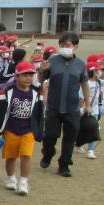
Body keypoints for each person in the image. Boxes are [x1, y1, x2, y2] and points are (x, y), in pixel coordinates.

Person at [40, 32, 90, 178]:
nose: (64, 47)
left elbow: (85, 85)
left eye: (67, 45)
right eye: (61, 45)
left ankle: (64, 165)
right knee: (50, 135)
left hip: (72, 108)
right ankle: (48, 153)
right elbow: (41, 79)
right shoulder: (52, 61)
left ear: (75, 46)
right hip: (53, 107)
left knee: (70, 138)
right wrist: (42, 70)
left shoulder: (81, 65)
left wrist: (87, 104)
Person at [0, 61, 43, 195]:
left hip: (28, 130)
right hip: (11, 129)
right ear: (16, 76)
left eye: (31, 75)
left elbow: (39, 114)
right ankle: (11, 178)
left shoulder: (36, 93)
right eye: (24, 75)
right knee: (11, 157)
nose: (28, 78)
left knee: (26, 156)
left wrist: (39, 130)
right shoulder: (7, 92)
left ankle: (24, 181)